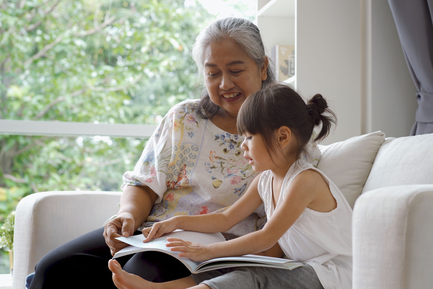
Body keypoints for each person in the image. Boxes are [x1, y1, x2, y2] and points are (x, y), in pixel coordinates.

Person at [28, 18, 320, 289]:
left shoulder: (287, 135)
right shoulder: (184, 117)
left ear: (263, 67)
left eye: (235, 70)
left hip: (212, 248)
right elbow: (145, 181)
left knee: (143, 272)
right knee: (52, 270)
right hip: (151, 233)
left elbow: (287, 227)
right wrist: (126, 216)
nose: (224, 84)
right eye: (212, 73)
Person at [108, 83, 352, 289]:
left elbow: (267, 237)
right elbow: (226, 217)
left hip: (332, 274)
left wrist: (209, 251)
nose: (242, 146)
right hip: (305, 266)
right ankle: (156, 288)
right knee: (219, 266)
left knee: (251, 276)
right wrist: (175, 222)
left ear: (282, 137)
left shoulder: (305, 181)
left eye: (248, 137)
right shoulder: (265, 180)